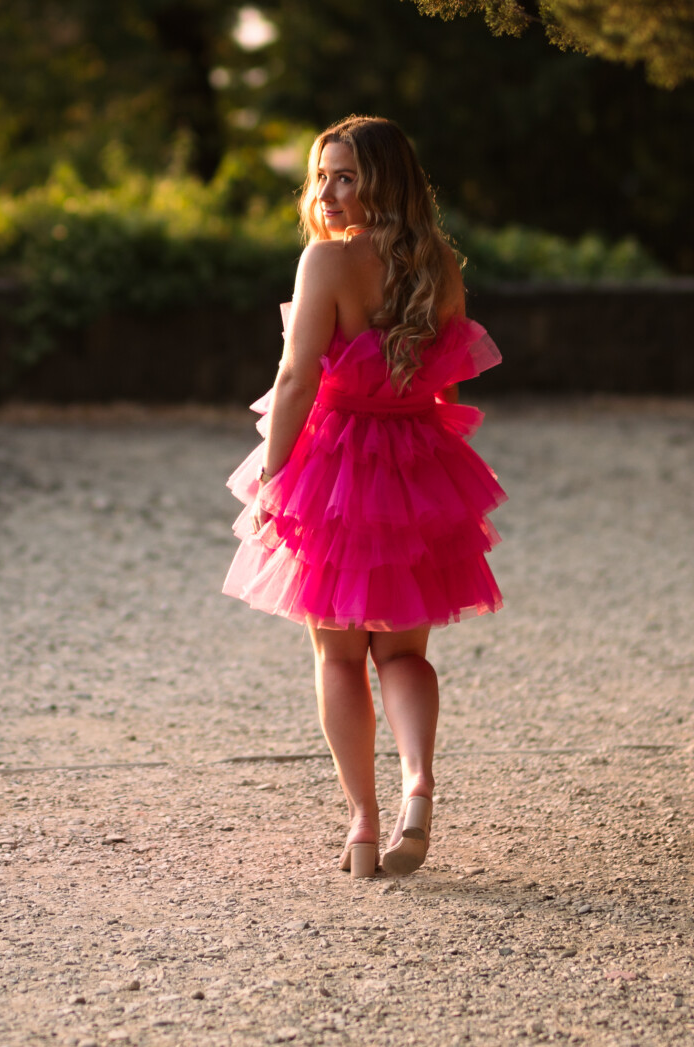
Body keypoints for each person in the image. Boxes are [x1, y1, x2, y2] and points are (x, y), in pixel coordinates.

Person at [223, 116, 507, 880]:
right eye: (322, 176)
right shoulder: (439, 263)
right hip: (418, 462)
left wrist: (273, 479)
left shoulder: (327, 260)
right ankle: (419, 783)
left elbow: (295, 377)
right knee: (405, 652)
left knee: (339, 652)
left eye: (346, 176)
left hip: (337, 465)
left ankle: (363, 822)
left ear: (385, 181)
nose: (329, 192)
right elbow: (444, 378)